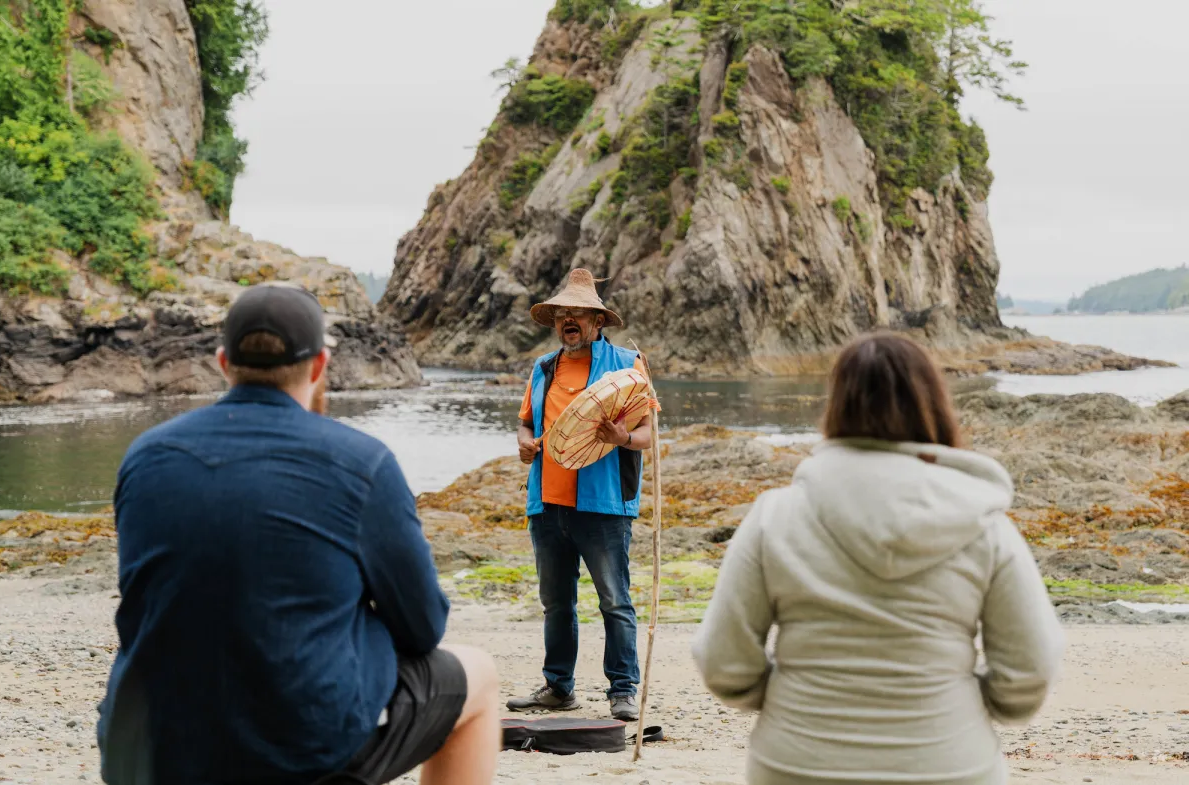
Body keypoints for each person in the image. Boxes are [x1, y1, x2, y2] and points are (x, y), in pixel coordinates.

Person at [97, 283, 500, 785]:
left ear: (223, 362)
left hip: (144, 748)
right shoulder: (362, 462)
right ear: (319, 367)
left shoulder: (145, 455)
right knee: (479, 679)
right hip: (297, 751)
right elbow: (423, 627)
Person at [693, 332, 1064, 785]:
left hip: (799, 763)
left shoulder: (776, 516)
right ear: (934, 404)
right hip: (949, 764)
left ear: (836, 405)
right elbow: (1031, 668)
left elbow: (722, 660)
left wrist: (791, 697)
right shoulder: (982, 523)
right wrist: (963, 704)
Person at [506, 268, 657, 722]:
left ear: (598, 321)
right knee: (556, 602)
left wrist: (620, 437)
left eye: (579, 313)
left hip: (604, 504)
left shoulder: (629, 365)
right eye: (562, 314)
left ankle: (624, 691)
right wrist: (523, 442)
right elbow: (526, 422)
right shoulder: (543, 367)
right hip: (547, 503)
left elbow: (648, 434)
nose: (569, 320)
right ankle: (558, 687)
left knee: (614, 599)